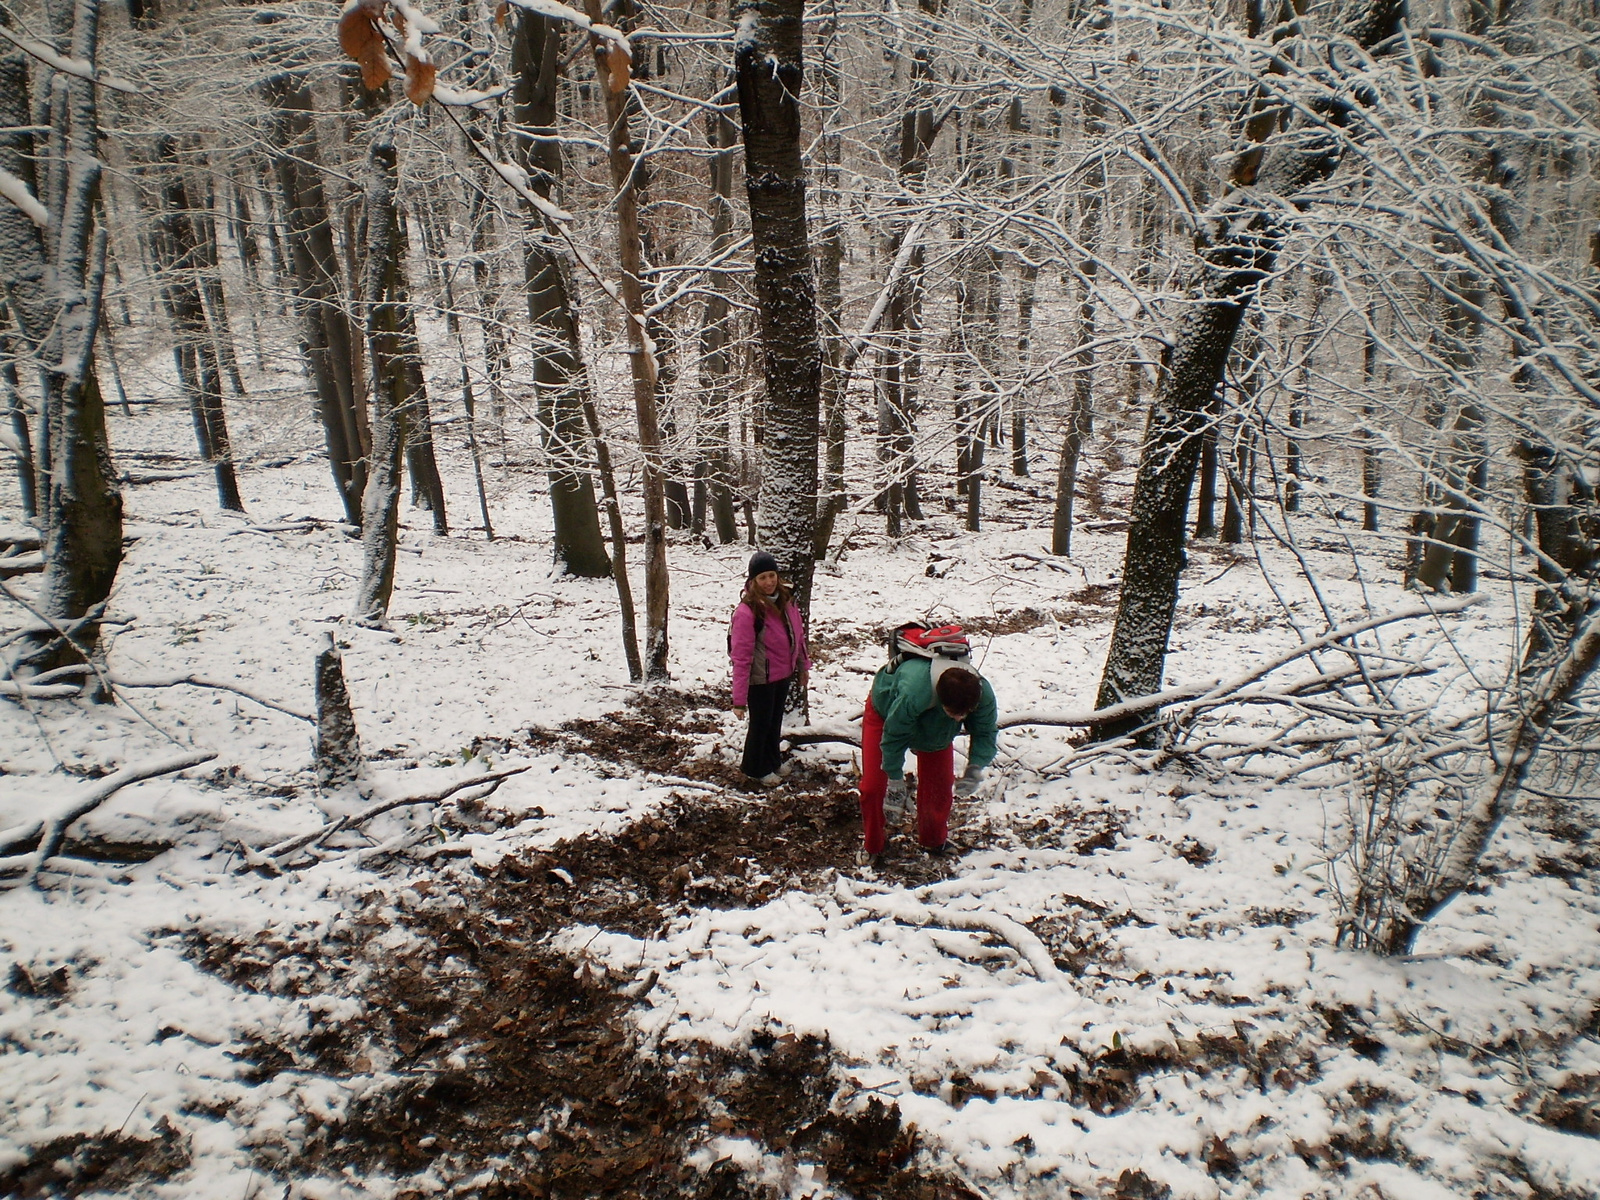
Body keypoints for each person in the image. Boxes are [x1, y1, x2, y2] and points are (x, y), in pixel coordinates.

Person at [858, 654, 997, 864]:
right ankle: (873, 845)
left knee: (939, 786)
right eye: (955, 714)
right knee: (874, 786)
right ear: (941, 701)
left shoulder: (982, 694)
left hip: (937, 720)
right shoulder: (914, 693)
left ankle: (934, 840)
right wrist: (895, 781)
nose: (960, 719)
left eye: (965, 715)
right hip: (886, 712)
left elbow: (986, 732)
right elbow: (893, 738)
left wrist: (975, 766)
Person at [728, 551, 810, 786]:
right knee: (760, 725)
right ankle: (755, 768)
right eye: (762, 577)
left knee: (774, 722)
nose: (769, 582)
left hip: (782, 674)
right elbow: (741, 657)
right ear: (753, 581)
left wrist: (802, 666)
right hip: (760, 679)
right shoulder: (747, 612)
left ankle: (772, 761)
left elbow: (799, 637)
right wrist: (739, 700)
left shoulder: (786, 602)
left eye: (772, 575)